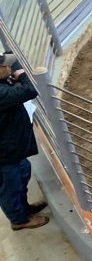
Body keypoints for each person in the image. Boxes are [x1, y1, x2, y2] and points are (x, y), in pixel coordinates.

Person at [0, 52, 48, 231]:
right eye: (5, 66)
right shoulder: (1, 92)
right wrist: (22, 75)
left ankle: (24, 209)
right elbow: (30, 90)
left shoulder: (3, 86)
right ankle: (19, 220)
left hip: (10, 148)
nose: (9, 68)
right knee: (10, 187)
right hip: (4, 154)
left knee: (21, 176)